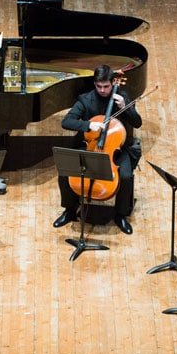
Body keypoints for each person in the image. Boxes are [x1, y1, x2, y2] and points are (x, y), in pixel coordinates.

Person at [52, 64, 143, 235]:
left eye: (106, 86)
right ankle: (70, 210)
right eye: (99, 86)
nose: (102, 90)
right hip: (90, 145)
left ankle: (121, 214)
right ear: (95, 84)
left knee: (125, 176)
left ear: (111, 83)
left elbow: (137, 122)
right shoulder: (86, 100)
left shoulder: (121, 97)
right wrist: (88, 125)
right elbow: (66, 121)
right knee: (65, 171)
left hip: (117, 148)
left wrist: (126, 106)